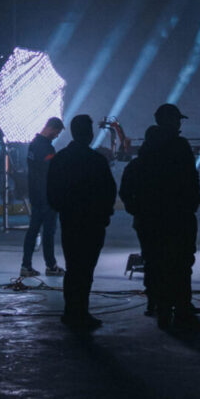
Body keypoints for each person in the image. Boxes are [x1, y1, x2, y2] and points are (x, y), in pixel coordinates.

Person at [129, 103, 200, 331]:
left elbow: (133, 184)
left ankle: (159, 306)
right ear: (171, 121)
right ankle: (181, 309)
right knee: (180, 263)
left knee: (155, 262)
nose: (180, 124)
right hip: (178, 216)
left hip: (151, 217)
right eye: (177, 120)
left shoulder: (147, 150)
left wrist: (139, 210)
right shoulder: (179, 146)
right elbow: (191, 179)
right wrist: (192, 203)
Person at [47, 115, 118, 330]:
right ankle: (81, 312)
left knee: (73, 267)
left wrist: (64, 210)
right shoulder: (96, 160)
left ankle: (72, 312)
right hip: (92, 223)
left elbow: (52, 193)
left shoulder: (60, 159)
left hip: (70, 221)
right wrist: (104, 215)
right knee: (85, 269)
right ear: (87, 133)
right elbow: (109, 191)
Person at [22, 117, 65, 280]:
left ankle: (26, 265)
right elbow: (50, 172)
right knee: (48, 232)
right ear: (51, 128)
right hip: (47, 196)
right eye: (57, 132)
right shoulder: (46, 148)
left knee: (33, 230)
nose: (56, 136)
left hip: (36, 195)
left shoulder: (33, 145)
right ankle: (51, 265)